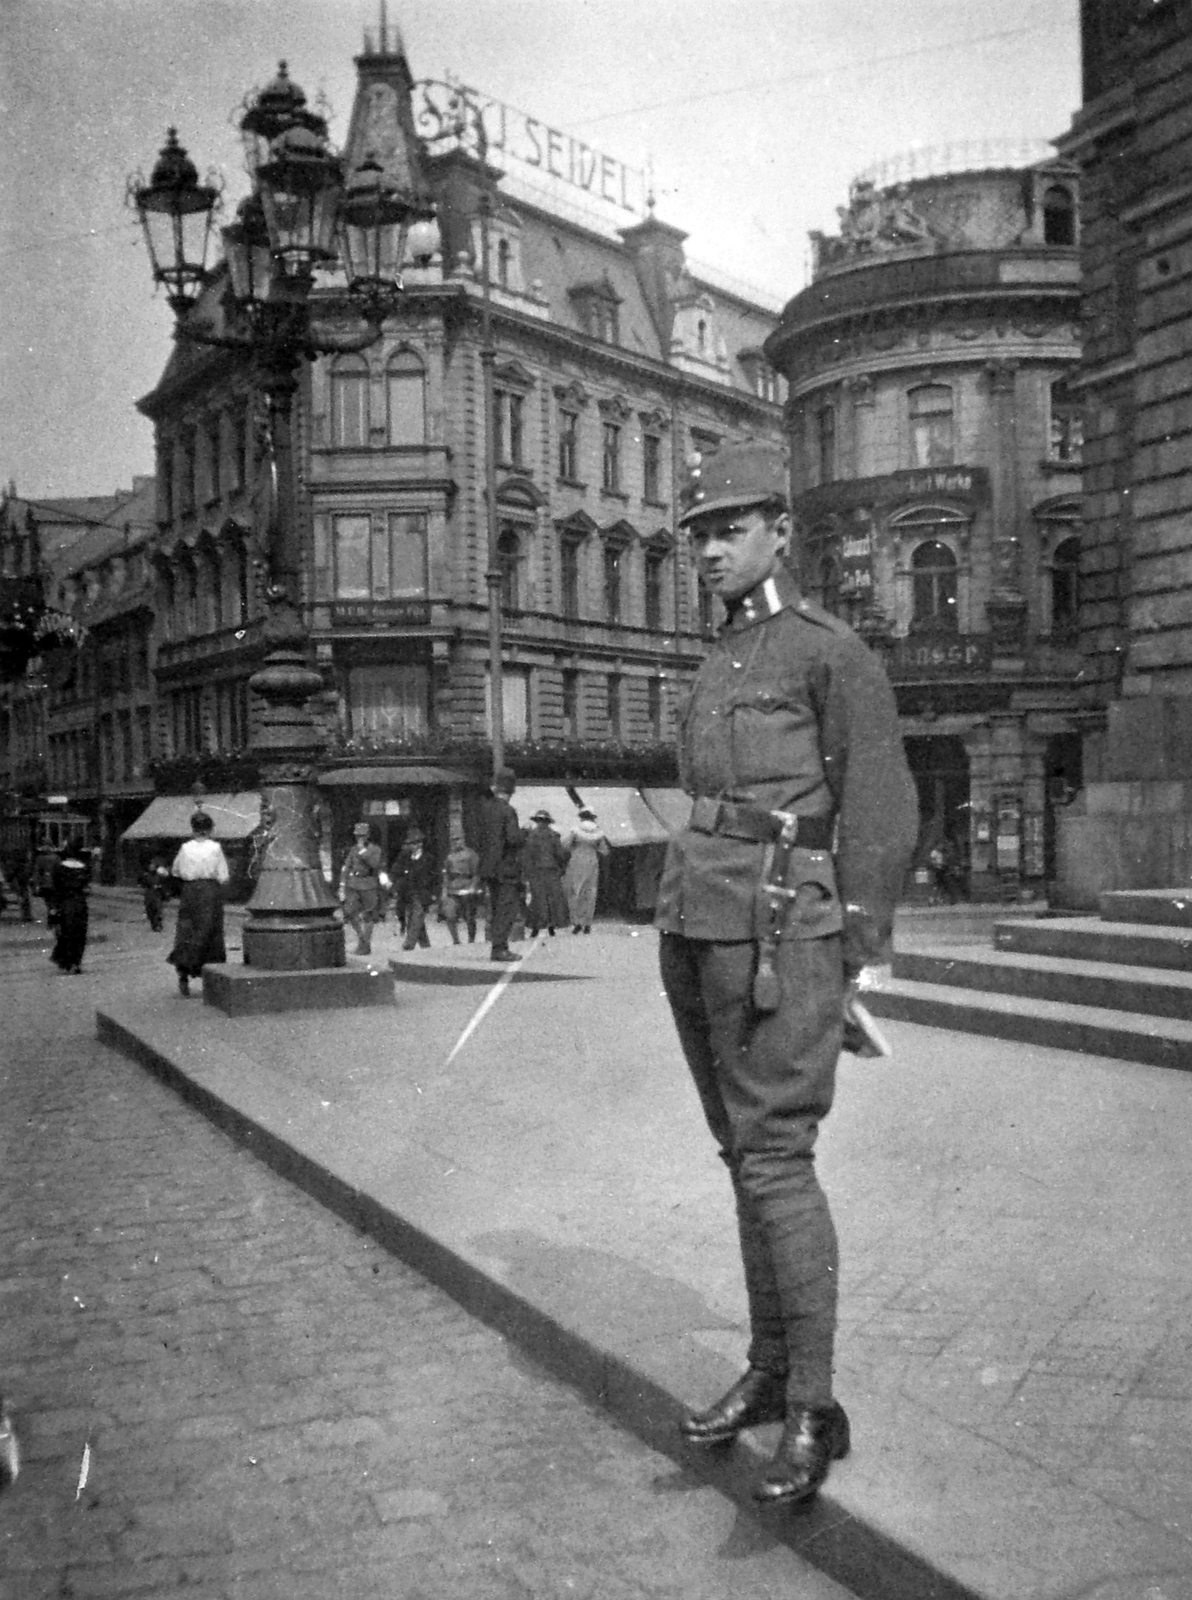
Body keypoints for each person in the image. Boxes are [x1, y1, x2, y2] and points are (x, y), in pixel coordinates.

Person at [656, 439, 918, 1508]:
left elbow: (882, 808)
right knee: (741, 1154)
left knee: (774, 1162)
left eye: (730, 528)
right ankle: (769, 1371)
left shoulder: (828, 650)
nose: (710, 548)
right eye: (700, 533)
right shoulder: (721, 655)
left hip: (780, 928)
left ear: (779, 530)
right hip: (697, 916)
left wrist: (856, 958)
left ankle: (811, 1402)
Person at [168, 811, 230, 996]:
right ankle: (212, 975)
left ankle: (183, 975)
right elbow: (224, 876)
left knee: (187, 930)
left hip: (189, 892)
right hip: (209, 892)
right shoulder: (215, 848)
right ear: (209, 829)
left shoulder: (185, 848)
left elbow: (176, 870)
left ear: (193, 829)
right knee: (210, 931)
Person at [476, 768, 524, 963]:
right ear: (511, 790)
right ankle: (500, 948)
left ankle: (497, 945)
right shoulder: (508, 811)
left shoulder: (486, 809)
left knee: (495, 908)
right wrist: (525, 835)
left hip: (488, 866)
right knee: (506, 909)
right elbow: (512, 838)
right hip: (506, 867)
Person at [523, 810, 569, 937]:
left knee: (538, 898)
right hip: (551, 870)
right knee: (552, 898)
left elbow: (527, 856)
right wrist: (562, 867)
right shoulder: (553, 835)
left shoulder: (531, 836)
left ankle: (536, 926)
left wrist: (527, 872)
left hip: (536, 871)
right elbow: (560, 854)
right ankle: (551, 925)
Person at [563, 808, 609, 933]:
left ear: (581, 817)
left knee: (575, 890)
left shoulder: (576, 830)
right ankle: (587, 922)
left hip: (577, 860)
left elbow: (566, 845)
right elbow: (605, 850)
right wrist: (594, 847)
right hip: (591, 860)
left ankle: (577, 922)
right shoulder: (598, 831)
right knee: (590, 891)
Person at [48, 841, 91, 974]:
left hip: (65, 903)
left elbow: (55, 888)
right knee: (80, 933)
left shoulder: (59, 868)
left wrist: (53, 907)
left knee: (65, 933)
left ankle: (67, 961)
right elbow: (87, 888)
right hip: (80, 904)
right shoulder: (84, 868)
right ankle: (76, 962)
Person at [341, 821, 384, 956]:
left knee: (369, 915)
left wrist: (363, 852)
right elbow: (347, 866)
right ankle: (362, 939)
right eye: (357, 836)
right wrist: (342, 884)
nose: (360, 838)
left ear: (367, 836)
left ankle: (365, 944)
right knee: (349, 912)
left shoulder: (375, 849)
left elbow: (374, 864)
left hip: (369, 883)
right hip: (354, 883)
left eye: (362, 836)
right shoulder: (353, 850)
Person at [395, 827, 436, 951]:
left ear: (420, 844)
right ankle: (426, 946)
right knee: (415, 919)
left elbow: (435, 877)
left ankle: (409, 944)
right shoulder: (405, 857)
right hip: (408, 893)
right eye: (410, 843)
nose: (411, 846)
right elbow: (396, 871)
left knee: (416, 916)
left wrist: (435, 894)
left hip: (423, 893)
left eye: (414, 843)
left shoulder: (429, 858)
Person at [441, 834, 482, 945]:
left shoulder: (471, 855)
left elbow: (476, 873)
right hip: (453, 889)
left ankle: (471, 940)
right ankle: (456, 940)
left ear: (463, 840)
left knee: (469, 917)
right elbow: (446, 874)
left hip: (467, 887)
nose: (456, 842)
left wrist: (474, 886)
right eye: (453, 840)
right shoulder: (450, 857)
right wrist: (444, 890)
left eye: (458, 839)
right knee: (450, 915)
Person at [140, 854, 173, 932]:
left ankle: (158, 924)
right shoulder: (146, 875)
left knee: (157, 909)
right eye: (151, 865)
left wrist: (164, 892)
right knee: (150, 909)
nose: (151, 866)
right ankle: (154, 924)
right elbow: (143, 883)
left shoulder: (160, 875)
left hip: (157, 894)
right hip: (149, 894)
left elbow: (165, 883)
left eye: (153, 865)